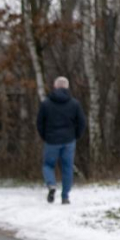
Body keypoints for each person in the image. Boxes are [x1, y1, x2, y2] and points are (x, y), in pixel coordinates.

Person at [36, 76, 86, 204]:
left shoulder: (46, 103)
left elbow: (40, 123)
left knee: (48, 165)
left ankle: (51, 184)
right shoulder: (74, 103)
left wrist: (44, 136)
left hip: (51, 140)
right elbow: (81, 122)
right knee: (67, 167)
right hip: (69, 140)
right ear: (67, 87)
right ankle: (65, 196)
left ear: (55, 86)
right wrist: (76, 135)